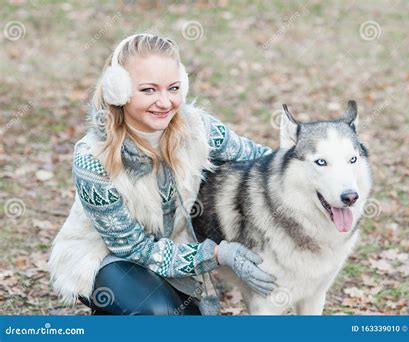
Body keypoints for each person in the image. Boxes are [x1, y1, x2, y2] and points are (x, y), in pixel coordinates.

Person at [48, 33, 276, 315]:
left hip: (175, 252)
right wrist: (216, 254)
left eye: (173, 88)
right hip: (108, 256)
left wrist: (321, 169)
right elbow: (133, 248)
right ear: (118, 90)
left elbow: (261, 159)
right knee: (157, 314)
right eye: (148, 90)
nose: (165, 102)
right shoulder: (93, 159)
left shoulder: (197, 129)